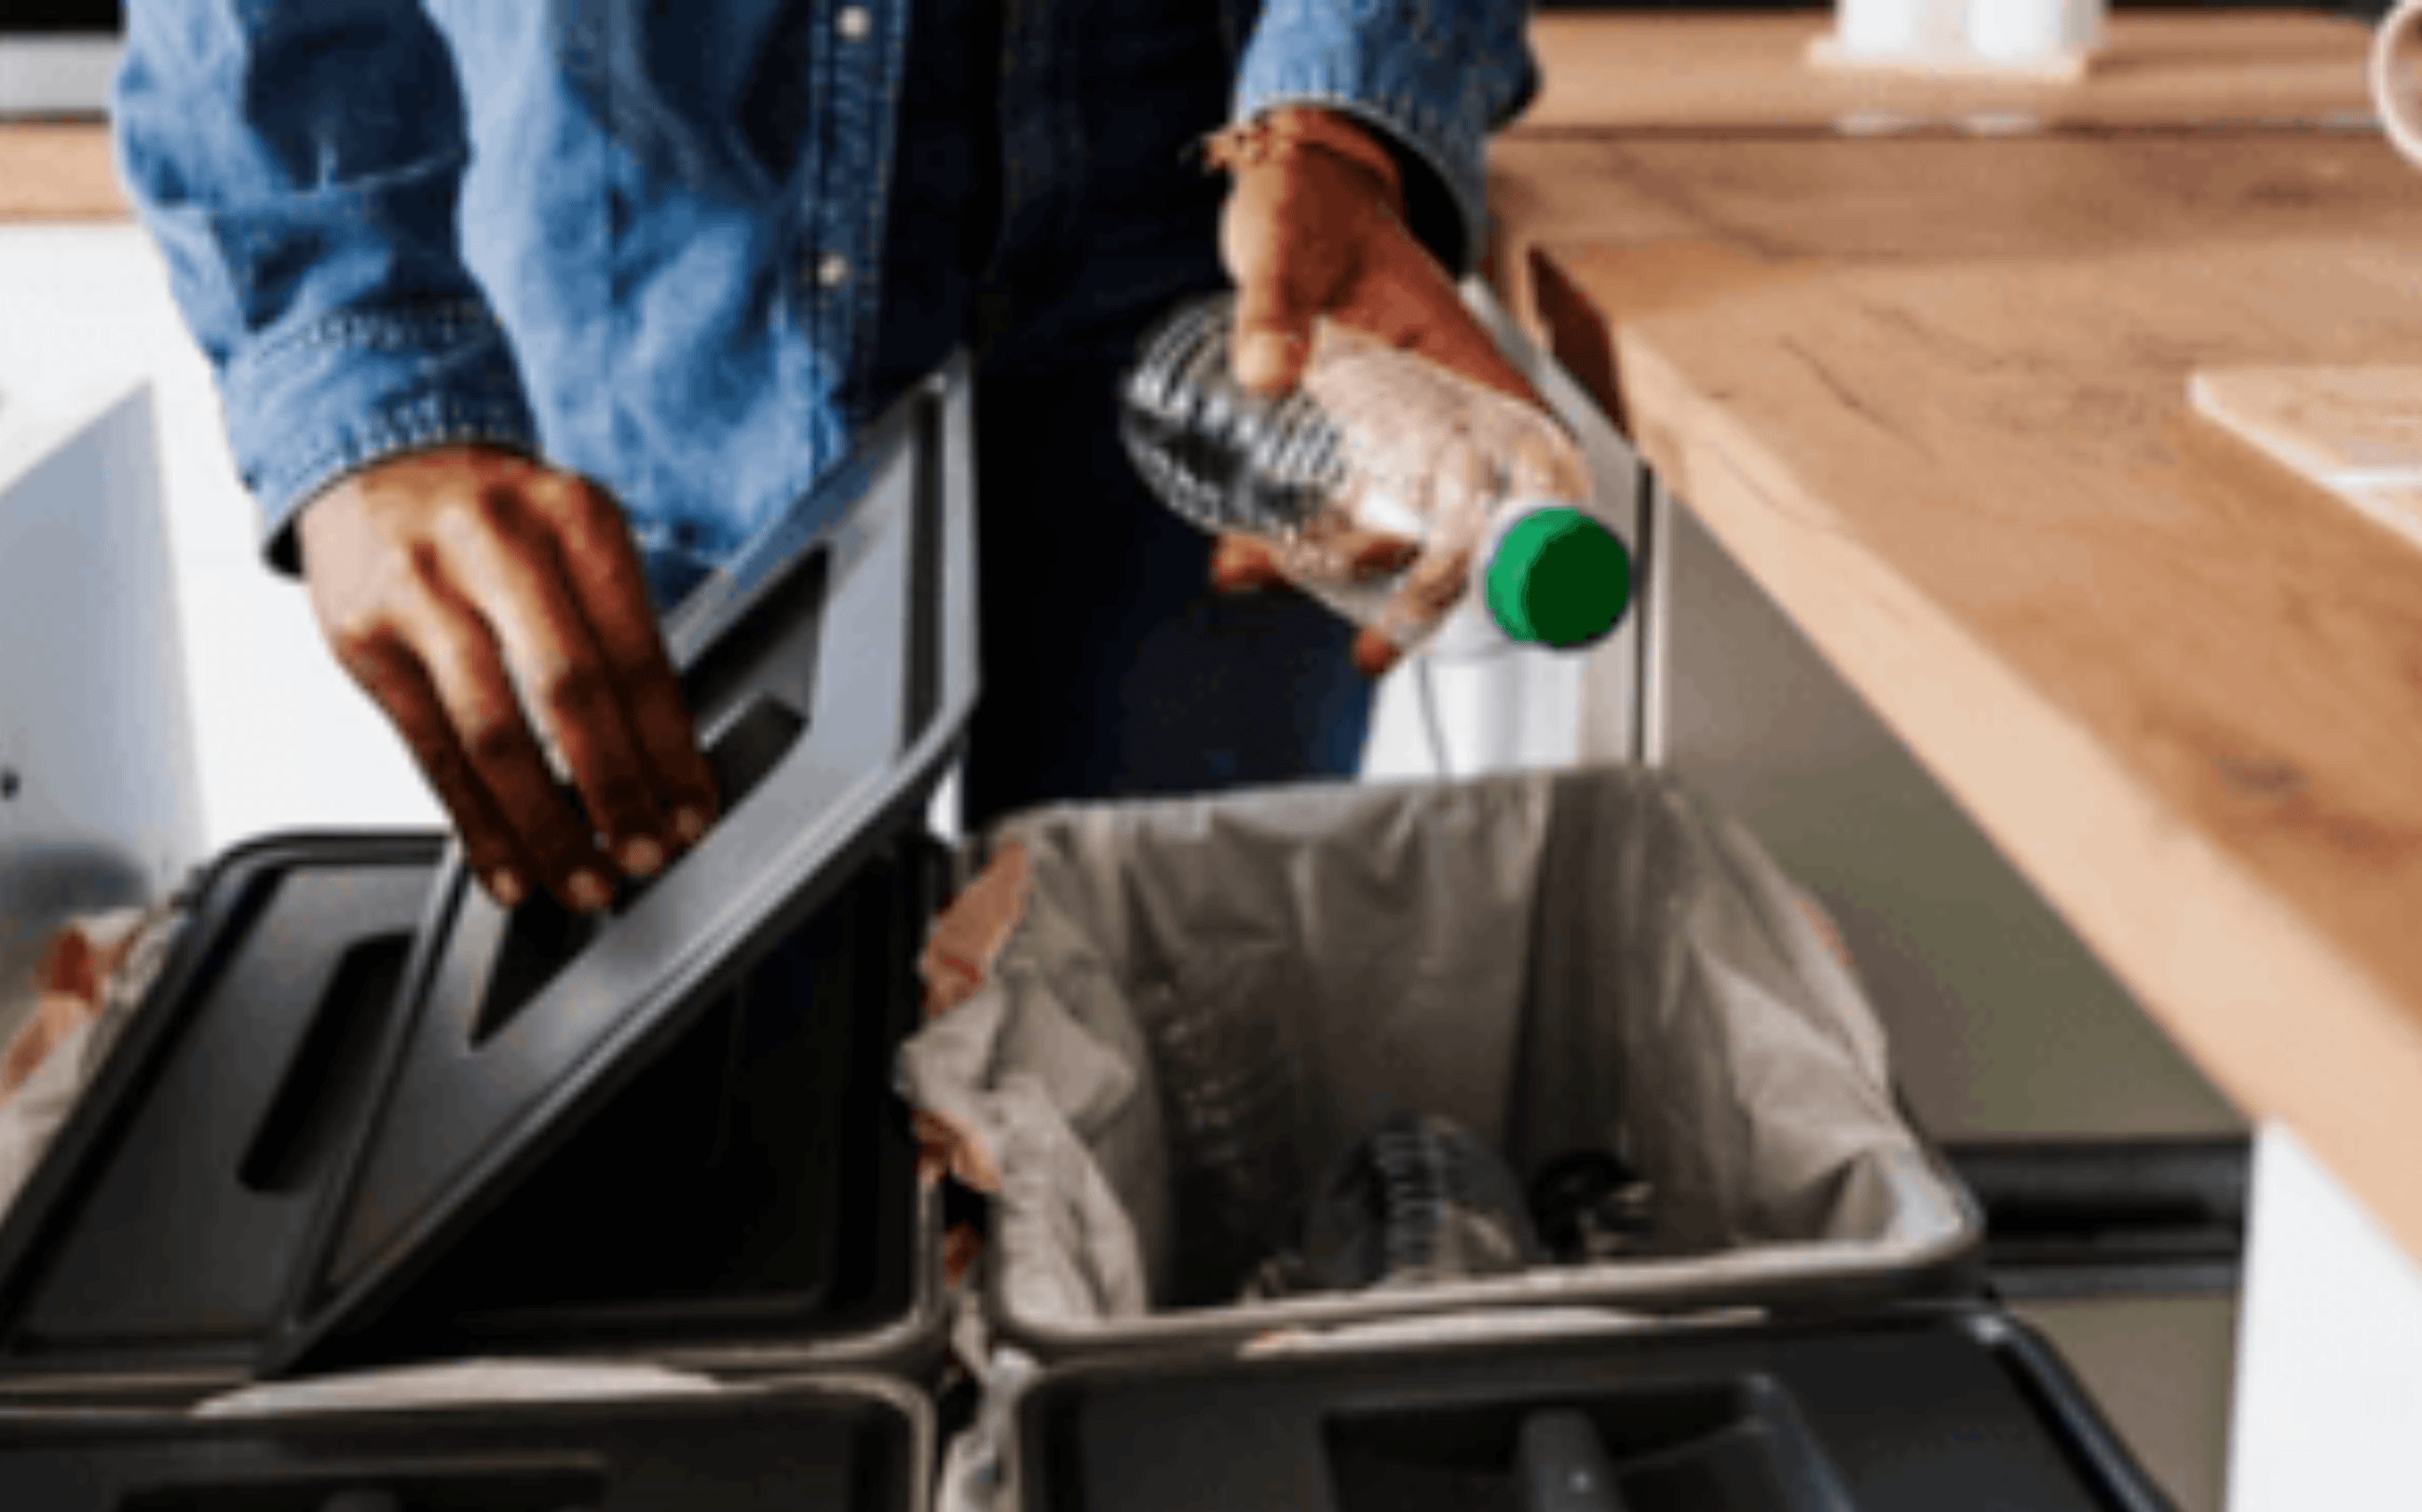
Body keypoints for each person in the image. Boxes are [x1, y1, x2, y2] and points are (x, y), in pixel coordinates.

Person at [116, 2, 1545, 915]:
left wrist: (1354, 117)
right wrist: (363, 368)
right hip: (645, 280)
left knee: (1191, 1063)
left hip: (1220, 280)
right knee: (699, 1144)